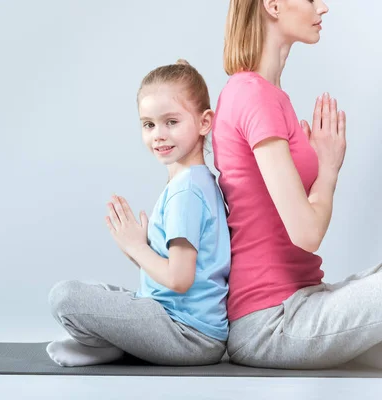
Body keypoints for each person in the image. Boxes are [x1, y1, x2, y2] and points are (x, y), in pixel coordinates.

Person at [212, 0, 382, 369]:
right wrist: (329, 168)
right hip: (272, 322)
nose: (322, 7)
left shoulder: (268, 95)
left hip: (306, 300)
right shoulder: (253, 95)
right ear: (272, 5)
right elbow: (306, 233)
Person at [45, 60, 231, 367]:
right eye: (149, 124)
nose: (158, 134)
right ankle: (117, 344)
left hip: (189, 336)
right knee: (104, 293)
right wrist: (139, 251)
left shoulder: (187, 191)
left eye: (171, 122)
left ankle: (114, 347)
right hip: (177, 323)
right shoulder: (193, 181)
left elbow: (179, 278)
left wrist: (137, 247)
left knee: (65, 297)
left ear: (204, 122)